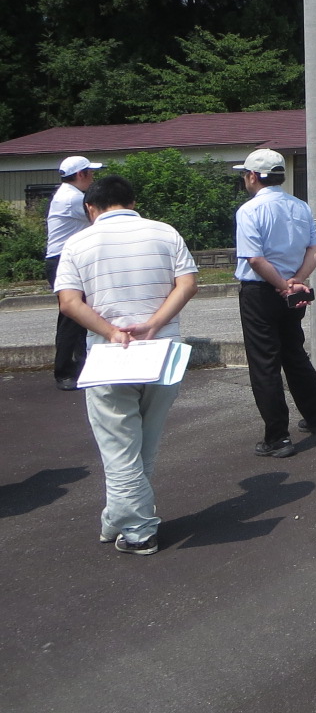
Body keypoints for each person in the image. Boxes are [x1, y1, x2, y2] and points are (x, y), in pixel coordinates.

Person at [53, 174, 198, 556]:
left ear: (91, 207)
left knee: (120, 449)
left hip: (110, 355)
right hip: (163, 351)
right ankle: (115, 519)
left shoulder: (78, 242)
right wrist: (153, 324)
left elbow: (69, 302)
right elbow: (187, 284)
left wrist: (112, 332)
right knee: (144, 444)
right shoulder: (165, 233)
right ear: (132, 203)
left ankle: (138, 532)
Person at [232, 148, 316, 458]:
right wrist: (297, 281)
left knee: (265, 363)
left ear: (252, 176)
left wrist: (281, 286)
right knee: (294, 353)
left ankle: (277, 437)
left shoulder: (249, 210)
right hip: (293, 287)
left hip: (261, 291)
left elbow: (255, 258)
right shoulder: (300, 206)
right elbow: (315, 247)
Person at [45, 155, 103, 390]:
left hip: (67, 259)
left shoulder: (68, 194)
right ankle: (65, 372)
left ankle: (81, 367)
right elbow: (101, 218)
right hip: (62, 261)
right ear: (81, 174)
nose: (93, 177)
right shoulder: (73, 198)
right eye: (90, 172)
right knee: (72, 317)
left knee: (80, 317)